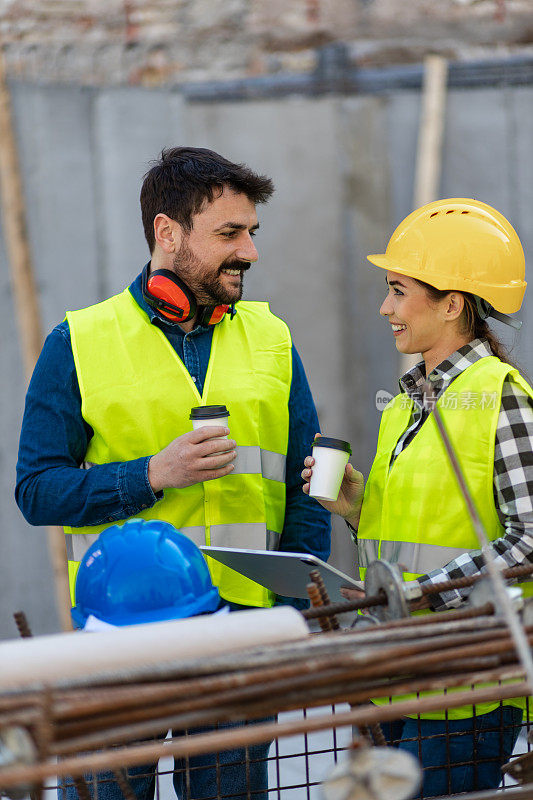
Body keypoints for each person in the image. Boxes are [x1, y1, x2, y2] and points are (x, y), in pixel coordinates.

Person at [16, 146, 331, 798]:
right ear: (167, 233)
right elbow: (36, 490)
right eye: (229, 234)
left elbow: (306, 486)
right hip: (122, 634)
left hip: (243, 637)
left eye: (251, 232)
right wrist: (150, 474)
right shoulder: (78, 341)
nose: (248, 250)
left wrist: (292, 610)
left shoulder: (272, 338)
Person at [302, 198, 531, 797]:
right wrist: (355, 509)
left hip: (469, 684)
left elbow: (531, 537)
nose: (385, 308)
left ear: (452, 303)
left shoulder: (500, 396)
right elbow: (415, 533)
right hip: (402, 668)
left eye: (399, 291)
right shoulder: (406, 402)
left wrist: (428, 591)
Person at [64, 517, 267, 800]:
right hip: (116, 638)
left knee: (226, 784)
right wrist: (149, 476)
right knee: (104, 785)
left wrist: (290, 593)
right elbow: (36, 490)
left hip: (225, 627)